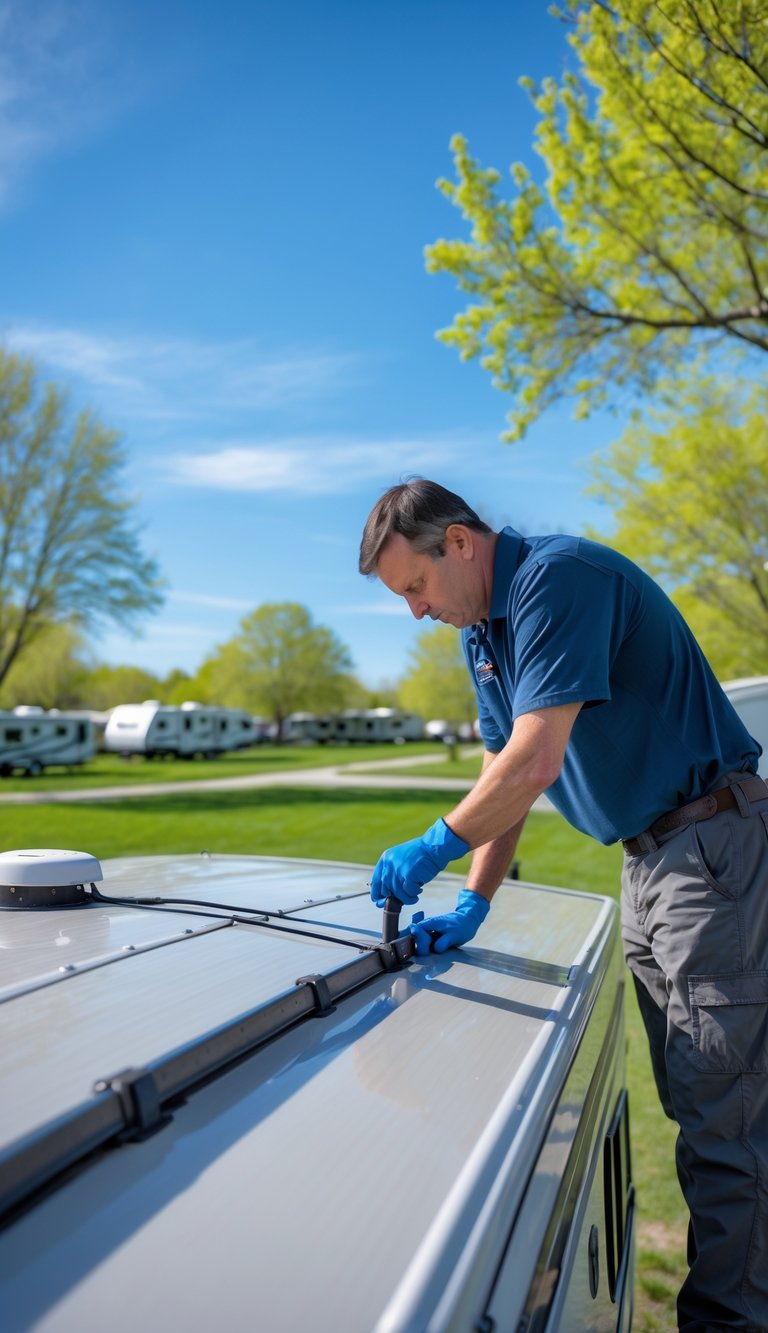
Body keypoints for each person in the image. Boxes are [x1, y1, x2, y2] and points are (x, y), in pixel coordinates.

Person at [358, 478, 768, 1333]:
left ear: (460, 543)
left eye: (415, 587)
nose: (416, 610)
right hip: (652, 861)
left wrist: (433, 843)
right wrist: (473, 898)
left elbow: (537, 763)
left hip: (708, 850)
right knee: (700, 1106)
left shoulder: (558, 580)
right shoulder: (484, 638)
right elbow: (503, 775)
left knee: (729, 1120)